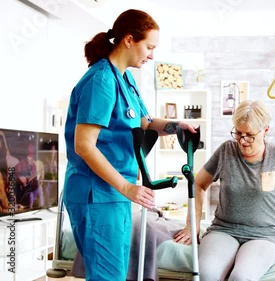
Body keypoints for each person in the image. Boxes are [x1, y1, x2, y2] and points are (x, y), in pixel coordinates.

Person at [63, 9, 196, 281]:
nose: (152, 55)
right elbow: (84, 146)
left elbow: (145, 122)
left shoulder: (124, 79)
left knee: (115, 274)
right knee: (107, 276)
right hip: (97, 193)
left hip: (116, 193)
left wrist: (176, 125)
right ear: (128, 40)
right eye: (149, 46)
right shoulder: (101, 80)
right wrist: (127, 187)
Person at [174, 100, 275, 281]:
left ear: (265, 131)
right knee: (207, 274)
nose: (242, 141)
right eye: (238, 133)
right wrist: (192, 226)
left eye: (250, 135)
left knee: (242, 277)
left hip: (266, 234)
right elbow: (198, 184)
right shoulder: (226, 151)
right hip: (224, 229)